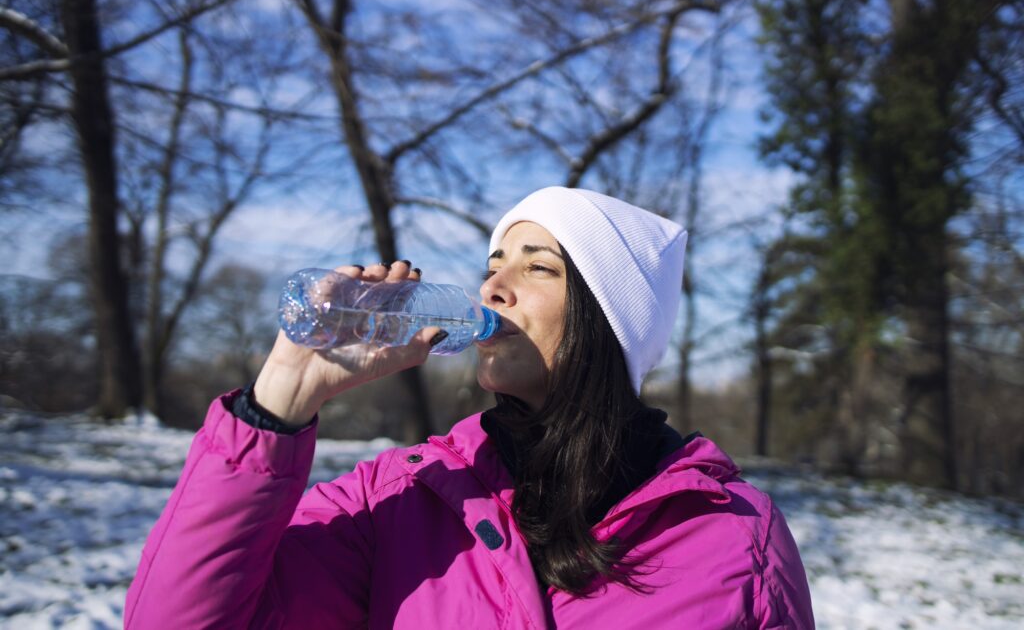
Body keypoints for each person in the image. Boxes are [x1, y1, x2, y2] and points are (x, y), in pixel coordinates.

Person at [125, 186, 814, 629]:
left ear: (611, 320)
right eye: (494, 261)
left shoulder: (732, 536)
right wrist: (281, 398)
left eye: (538, 266)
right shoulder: (400, 501)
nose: (493, 286)